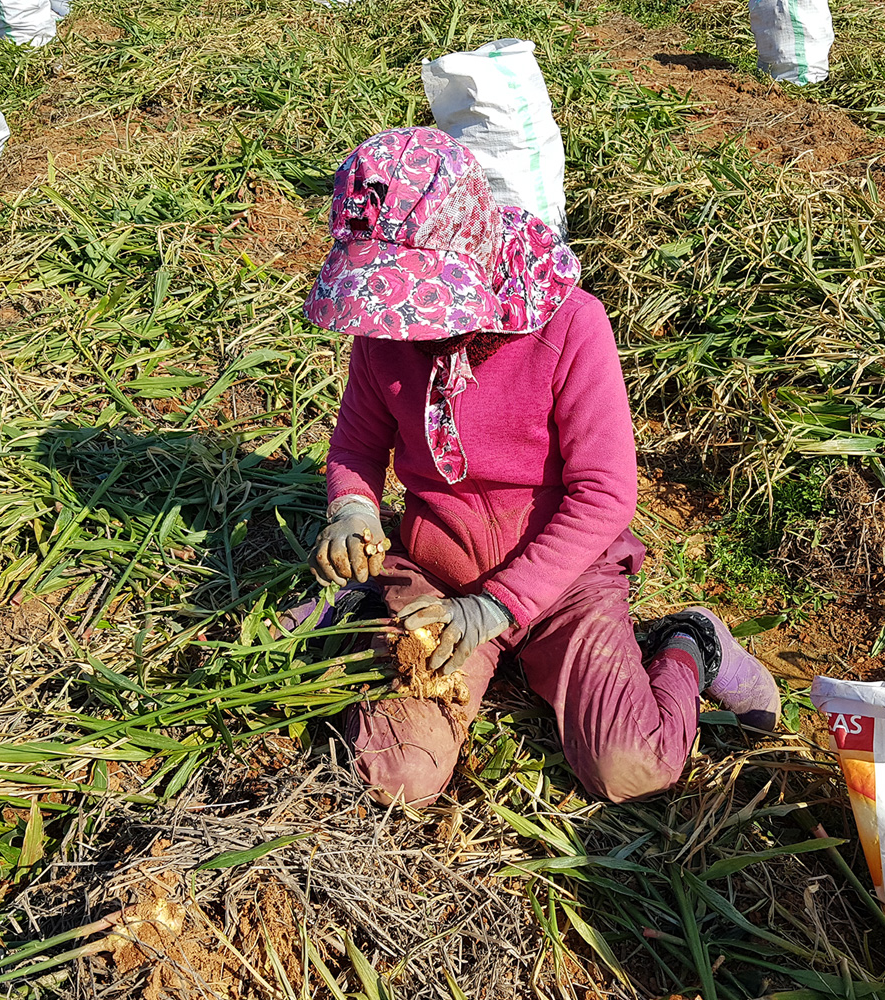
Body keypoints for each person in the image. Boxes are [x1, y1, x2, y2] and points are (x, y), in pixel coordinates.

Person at [298, 126, 780, 806]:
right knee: (395, 774)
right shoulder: (386, 336)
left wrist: (499, 605)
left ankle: (688, 644)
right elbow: (355, 448)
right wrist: (351, 508)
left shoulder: (568, 326)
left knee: (631, 767)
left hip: (563, 581)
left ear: (470, 254)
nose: (404, 327)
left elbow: (605, 494)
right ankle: (368, 606)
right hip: (439, 567)